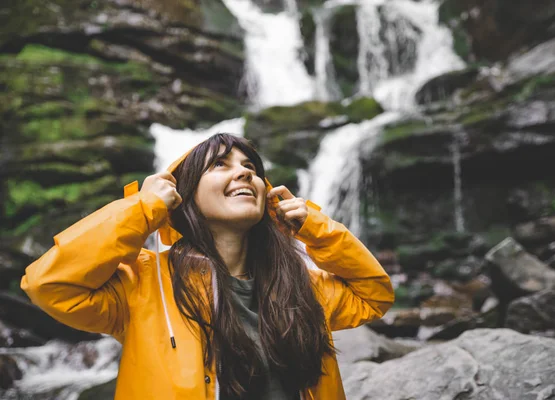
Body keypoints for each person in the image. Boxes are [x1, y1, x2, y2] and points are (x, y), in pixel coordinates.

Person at [21, 133, 394, 399]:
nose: (245, 173)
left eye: (250, 167)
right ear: (183, 197)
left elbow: (374, 294)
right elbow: (49, 283)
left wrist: (315, 226)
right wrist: (143, 208)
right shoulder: (143, 285)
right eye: (220, 164)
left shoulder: (301, 285)